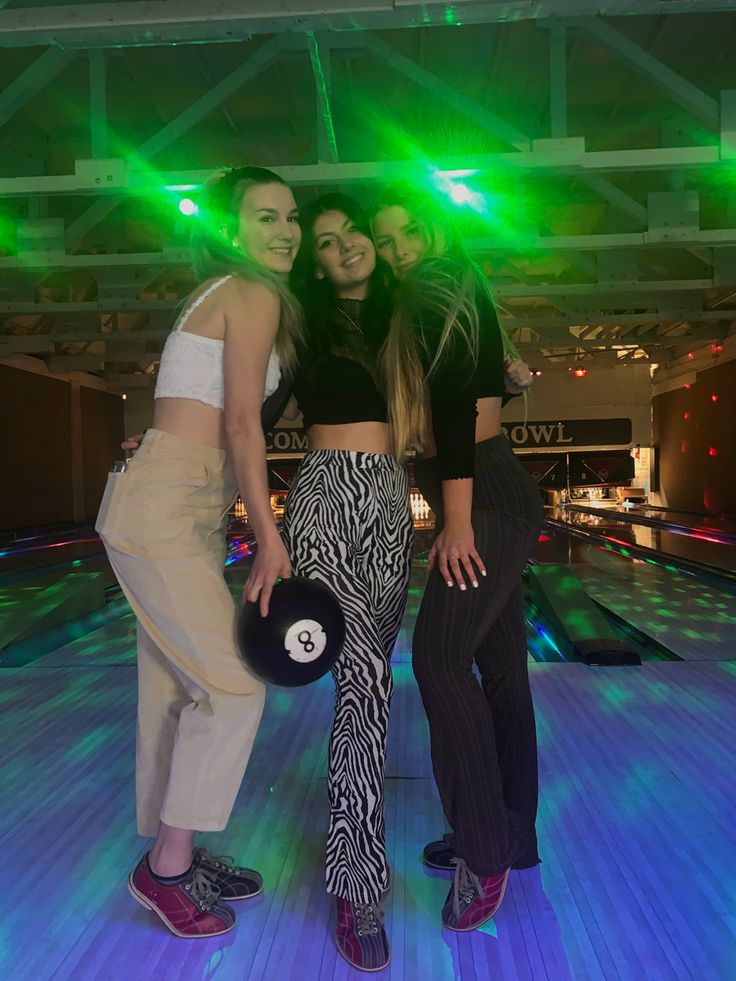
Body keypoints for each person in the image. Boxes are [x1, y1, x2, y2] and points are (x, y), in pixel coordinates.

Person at [95, 166, 303, 939]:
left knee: (178, 691)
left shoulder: (222, 290)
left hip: (177, 499)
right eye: (266, 216)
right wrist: (269, 535)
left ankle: (175, 849)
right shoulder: (252, 293)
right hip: (169, 504)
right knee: (234, 683)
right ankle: (166, 868)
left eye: (292, 216)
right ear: (230, 227)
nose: (286, 229)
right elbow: (244, 424)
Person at [371, 185, 544, 933]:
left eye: (409, 231)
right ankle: (512, 834)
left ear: (435, 226)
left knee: (439, 662)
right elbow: (479, 381)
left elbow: (448, 400)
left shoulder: (437, 282)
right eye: (387, 242)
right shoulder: (454, 284)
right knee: (500, 669)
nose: (399, 248)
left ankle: (484, 849)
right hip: (495, 488)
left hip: (481, 500)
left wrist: (456, 520)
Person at [284, 193, 414, 972]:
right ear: (318, 265)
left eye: (350, 233)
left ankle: (355, 862)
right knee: (362, 681)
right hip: (326, 493)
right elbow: (258, 400)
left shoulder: (407, 316)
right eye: (324, 245)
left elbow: (456, 380)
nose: (342, 249)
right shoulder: (306, 324)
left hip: (390, 498)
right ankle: (357, 882)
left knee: (378, 685)